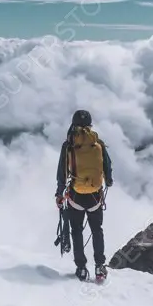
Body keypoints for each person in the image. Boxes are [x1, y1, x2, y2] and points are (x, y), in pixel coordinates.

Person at [55, 109, 113, 282]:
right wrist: (108, 181)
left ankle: (81, 268)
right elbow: (107, 167)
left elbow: (62, 172)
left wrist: (59, 194)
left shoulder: (69, 145)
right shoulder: (98, 144)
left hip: (76, 196)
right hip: (95, 196)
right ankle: (100, 266)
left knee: (77, 231)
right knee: (97, 230)